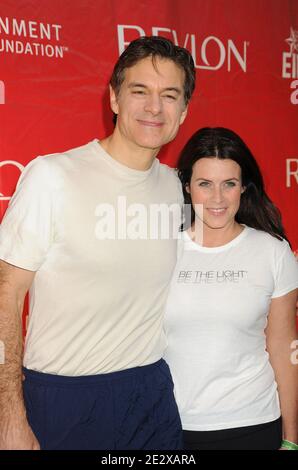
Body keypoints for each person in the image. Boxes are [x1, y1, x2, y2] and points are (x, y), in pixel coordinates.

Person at [0, 36, 195, 450]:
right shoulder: (53, 176)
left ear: (184, 111)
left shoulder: (174, 187)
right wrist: (10, 417)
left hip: (151, 395)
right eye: (139, 91)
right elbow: (5, 293)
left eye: (169, 95)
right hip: (64, 399)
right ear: (114, 99)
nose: (154, 107)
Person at [163, 127, 298, 450]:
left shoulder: (272, 251)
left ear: (244, 188)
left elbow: (283, 348)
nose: (217, 199)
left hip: (253, 423)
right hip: (171, 424)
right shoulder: (161, 249)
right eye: (205, 184)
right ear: (187, 186)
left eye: (229, 184)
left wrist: (292, 438)